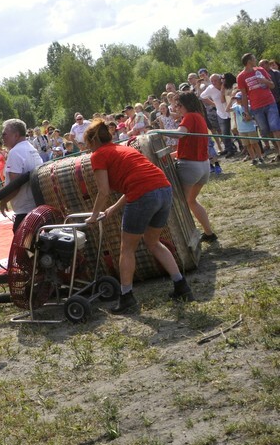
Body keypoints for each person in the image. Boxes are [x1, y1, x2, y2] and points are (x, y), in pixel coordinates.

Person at [83, 120, 193, 313]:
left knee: (127, 249)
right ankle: (181, 286)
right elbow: (138, 182)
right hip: (163, 189)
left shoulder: (98, 155)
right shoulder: (124, 150)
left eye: (86, 143)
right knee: (154, 242)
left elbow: (103, 191)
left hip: (144, 195)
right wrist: (113, 210)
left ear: (93, 141)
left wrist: (93, 216)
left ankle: (126, 297)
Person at [173, 91, 217, 242]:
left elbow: (180, 134)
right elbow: (190, 144)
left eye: (179, 105)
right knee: (191, 201)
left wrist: (157, 132)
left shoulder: (190, 117)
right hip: (203, 167)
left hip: (190, 167)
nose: (177, 108)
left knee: (182, 205)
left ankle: (187, 240)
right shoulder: (199, 117)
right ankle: (209, 234)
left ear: (186, 104)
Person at [0, 119, 43, 232]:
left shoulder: (15, 152)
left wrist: (3, 201)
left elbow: (15, 186)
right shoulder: (31, 149)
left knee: (22, 248)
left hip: (24, 212)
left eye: (4, 134)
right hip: (36, 207)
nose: (2, 137)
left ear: (16, 135)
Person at [237, 52, 280, 160]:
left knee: (275, 127)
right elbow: (244, 95)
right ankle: (277, 151)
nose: (255, 60)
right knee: (266, 130)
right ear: (249, 62)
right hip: (256, 108)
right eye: (253, 58)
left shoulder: (260, 70)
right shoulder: (241, 77)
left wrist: (264, 80)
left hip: (270, 103)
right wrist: (246, 111)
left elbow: (272, 85)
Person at [231, 92, 265, 165]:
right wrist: (231, 100)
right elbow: (227, 110)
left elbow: (254, 116)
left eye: (239, 99)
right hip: (241, 129)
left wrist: (250, 118)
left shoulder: (249, 106)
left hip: (250, 128)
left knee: (254, 143)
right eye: (236, 99)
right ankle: (253, 159)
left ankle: (260, 158)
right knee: (247, 145)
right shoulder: (235, 106)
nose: (237, 100)